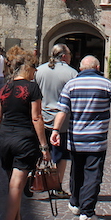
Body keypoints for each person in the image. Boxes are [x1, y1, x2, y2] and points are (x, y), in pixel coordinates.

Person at [49, 55, 111, 220]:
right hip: (96, 139)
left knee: (76, 171)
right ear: (98, 67)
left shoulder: (71, 85)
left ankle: (75, 202)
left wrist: (55, 130)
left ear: (81, 68)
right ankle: (87, 212)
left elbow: (62, 110)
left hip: (76, 137)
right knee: (93, 174)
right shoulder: (107, 84)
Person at [0, 47, 50, 220]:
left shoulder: (3, 88)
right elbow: (37, 117)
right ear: (27, 68)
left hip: (5, 140)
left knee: (12, 183)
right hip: (24, 140)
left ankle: (16, 218)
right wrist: (44, 147)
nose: (36, 72)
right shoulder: (32, 88)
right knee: (16, 184)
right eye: (34, 68)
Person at [35, 44, 78, 199]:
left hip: (41, 118)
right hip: (62, 121)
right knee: (61, 157)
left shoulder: (39, 70)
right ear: (65, 56)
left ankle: (34, 181)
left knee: (39, 151)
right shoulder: (72, 73)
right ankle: (57, 187)